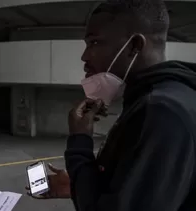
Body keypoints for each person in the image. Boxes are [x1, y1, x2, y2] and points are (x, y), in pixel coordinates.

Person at [29, 0, 196, 210]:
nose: (84, 56)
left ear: (135, 46)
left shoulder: (161, 112)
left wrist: (79, 142)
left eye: (95, 43)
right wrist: (77, 184)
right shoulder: (163, 99)